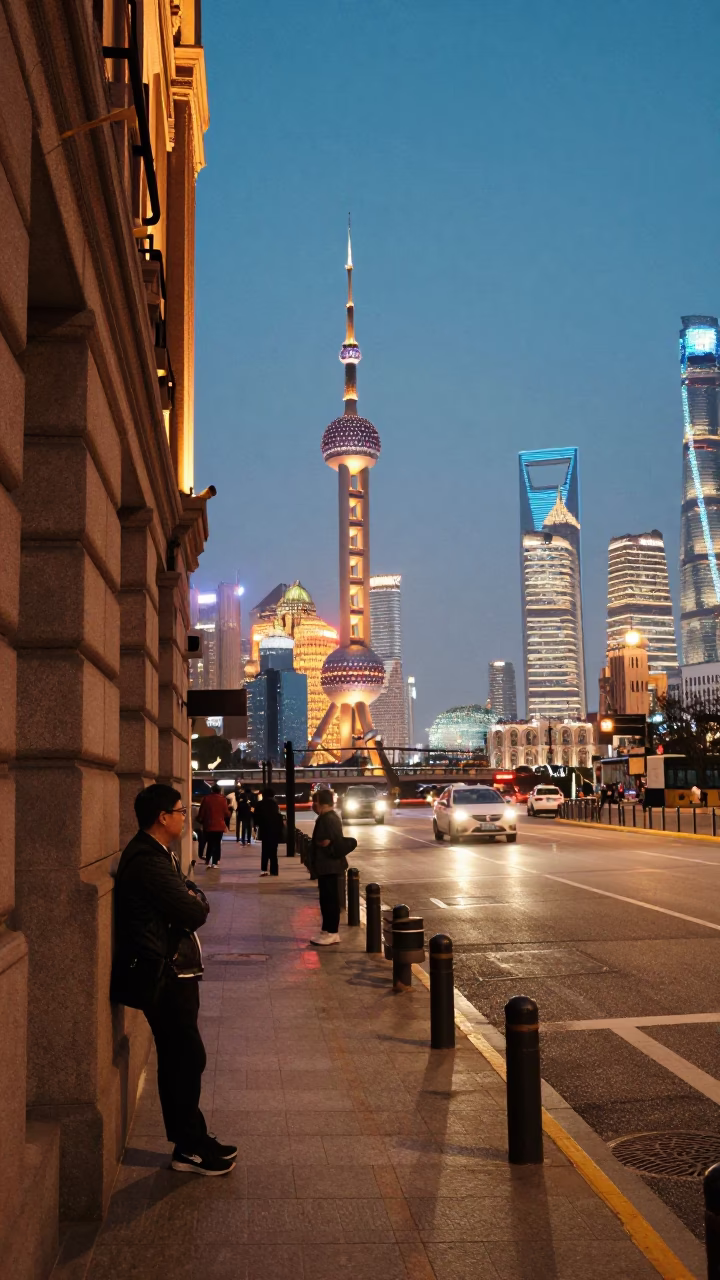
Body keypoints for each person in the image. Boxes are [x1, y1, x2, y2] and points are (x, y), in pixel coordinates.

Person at [111, 783, 236, 1175]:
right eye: (181, 811)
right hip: (163, 975)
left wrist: (191, 894)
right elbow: (193, 909)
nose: (186, 817)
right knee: (184, 1058)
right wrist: (193, 897)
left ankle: (192, 1139)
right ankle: (189, 1147)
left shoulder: (156, 853)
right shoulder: (147, 859)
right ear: (162, 817)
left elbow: (188, 894)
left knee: (183, 1057)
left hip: (171, 970)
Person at [310, 788, 347, 945]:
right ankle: (326, 930)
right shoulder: (327, 817)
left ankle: (332, 932)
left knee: (330, 900)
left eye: (314, 801)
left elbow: (330, 840)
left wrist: (323, 843)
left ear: (321, 803)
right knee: (326, 899)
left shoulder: (328, 818)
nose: (313, 805)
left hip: (330, 865)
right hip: (326, 866)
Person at [197, 783, 231, 868]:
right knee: (217, 843)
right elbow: (226, 813)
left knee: (210, 843)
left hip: (208, 825)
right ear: (219, 791)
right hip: (219, 825)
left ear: (211, 790)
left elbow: (202, 812)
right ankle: (215, 862)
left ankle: (208, 860)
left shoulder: (206, 799)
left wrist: (200, 819)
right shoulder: (223, 800)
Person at [254, 786, 283, 877]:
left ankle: (264, 869)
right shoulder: (275, 804)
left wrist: (256, 826)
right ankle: (274, 871)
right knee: (273, 851)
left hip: (264, 829)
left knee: (265, 850)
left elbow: (256, 818)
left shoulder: (259, 804)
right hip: (275, 830)